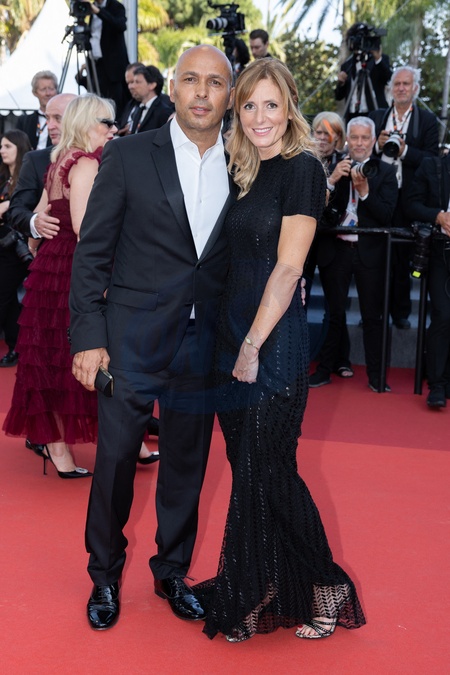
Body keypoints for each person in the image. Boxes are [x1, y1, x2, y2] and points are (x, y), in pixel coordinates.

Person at [193, 58, 366, 642]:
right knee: (250, 474)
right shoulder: (243, 169)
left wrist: (251, 345)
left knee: (271, 470)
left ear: (289, 106)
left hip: (271, 342)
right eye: (249, 105)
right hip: (227, 339)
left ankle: (325, 583)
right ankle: (263, 584)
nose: (259, 116)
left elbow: (289, 267)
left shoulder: (303, 169)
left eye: (271, 104)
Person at [69, 45, 234, 631]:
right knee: (115, 462)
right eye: (190, 79)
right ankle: (104, 575)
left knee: (187, 463)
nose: (201, 92)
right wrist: (88, 336)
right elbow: (92, 255)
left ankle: (172, 572)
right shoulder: (130, 154)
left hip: (202, 342)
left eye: (214, 82)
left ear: (229, 95)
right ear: (174, 88)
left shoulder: (244, 163)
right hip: (130, 339)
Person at [3, 95, 118, 479]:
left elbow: (41, 214)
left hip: (51, 266)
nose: (113, 129)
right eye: (106, 122)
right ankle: (63, 449)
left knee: (52, 355)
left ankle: (57, 447)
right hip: (75, 267)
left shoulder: (60, 160)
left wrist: (42, 237)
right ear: (87, 123)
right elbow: (87, 229)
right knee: (76, 350)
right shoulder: (85, 163)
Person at [310, 116, 398, 392]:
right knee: (333, 314)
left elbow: (387, 215)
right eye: (355, 137)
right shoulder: (335, 167)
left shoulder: (385, 172)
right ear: (347, 140)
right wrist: (332, 180)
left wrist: (365, 192)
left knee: (372, 317)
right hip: (337, 250)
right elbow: (316, 210)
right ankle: (324, 369)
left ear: (373, 141)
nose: (359, 143)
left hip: (369, 252)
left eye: (365, 138)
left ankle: (377, 377)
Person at [369, 66, 439, 329]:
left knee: (401, 257)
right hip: (378, 194)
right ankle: (373, 312)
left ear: (415, 88)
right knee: (375, 256)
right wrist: (377, 145)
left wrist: (406, 151)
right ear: (390, 88)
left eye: (405, 84)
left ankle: (400, 313)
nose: (400, 88)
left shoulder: (427, 120)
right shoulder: (377, 117)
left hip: (408, 196)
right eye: (396, 84)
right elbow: (362, 151)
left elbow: (432, 160)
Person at [307, 111, 353, 380]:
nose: (323, 138)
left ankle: (327, 366)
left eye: (329, 133)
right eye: (319, 132)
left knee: (335, 309)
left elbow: (335, 211)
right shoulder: (302, 159)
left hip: (331, 246)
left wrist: (333, 180)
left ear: (338, 138)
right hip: (301, 245)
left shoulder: (343, 166)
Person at [406, 155, 450, 408]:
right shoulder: (432, 166)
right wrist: (438, 216)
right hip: (440, 252)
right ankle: (437, 384)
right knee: (443, 315)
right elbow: (411, 204)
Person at [8, 94, 77, 240]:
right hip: (52, 247)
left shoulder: (103, 156)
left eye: (58, 118)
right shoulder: (36, 160)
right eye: (47, 118)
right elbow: (16, 210)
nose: (49, 126)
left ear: (78, 118)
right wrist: (35, 222)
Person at [0, 130, 33, 366]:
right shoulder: (4, 178)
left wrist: (7, 207)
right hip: (2, 245)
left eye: (7, 146)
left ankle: (16, 347)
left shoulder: (27, 178)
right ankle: (15, 347)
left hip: (16, 250)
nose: (2, 150)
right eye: (1, 146)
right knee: (10, 300)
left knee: (3, 296)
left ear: (19, 148)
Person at [335, 23, 391, 123]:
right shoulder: (347, 65)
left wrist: (378, 59)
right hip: (352, 115)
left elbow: (388, 78)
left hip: (374, 113)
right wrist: (341, 83)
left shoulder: (380, 60)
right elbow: (338, 96)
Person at [87, 0, 129, 117]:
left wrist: (99, 12)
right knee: (96, 101)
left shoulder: (116, 6)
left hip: (113, 67)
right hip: (95, 63)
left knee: (114, 103)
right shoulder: (91, 7)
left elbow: (120, 25)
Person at [16, 71, 58, 149]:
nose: (48, 93)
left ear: (56, 91)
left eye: (51, 88)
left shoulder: (65, 120)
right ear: (34, 92)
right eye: (43, 89)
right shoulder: (24, 121)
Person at [125, 66, 173, 134]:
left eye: (137, 82)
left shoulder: (164, 112)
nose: (132, 86)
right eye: (133, 82)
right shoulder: (138, 109)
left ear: (152, 85)